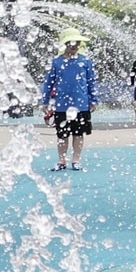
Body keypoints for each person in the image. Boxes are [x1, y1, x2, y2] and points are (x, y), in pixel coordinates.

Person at [40, 28, 98, 172]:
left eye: (77, 43)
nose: (75, 45)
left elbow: (91, 82)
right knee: (62, 134)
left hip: (81, 104)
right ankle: (61, 160)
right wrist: (45, 101)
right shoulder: (57, 62)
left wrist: (93, 99)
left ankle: (76, 159)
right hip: (62, 105)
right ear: (65, 44)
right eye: (72, 43)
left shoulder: (85, 61)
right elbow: (49, 83)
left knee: (78, 133)